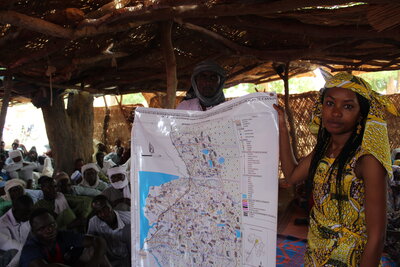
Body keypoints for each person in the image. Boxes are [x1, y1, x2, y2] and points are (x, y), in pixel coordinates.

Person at [274, 72, 398, 266]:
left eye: (348, 106)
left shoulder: (367, 161)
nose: (336, 112)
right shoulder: (323, 151)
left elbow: (376, 235)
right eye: (330, 103)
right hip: (316, 252)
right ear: (321, 108)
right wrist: (282, 127)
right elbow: (291, 176)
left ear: (361, 115)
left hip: (350, 259)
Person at [19, 208, 110, 267]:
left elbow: (98, 240)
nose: (50, 229)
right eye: (42, 228)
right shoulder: (30, 249)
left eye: (52, 224)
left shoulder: (61, 235)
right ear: (33, 232)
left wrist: (94, 261)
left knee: (93, 250)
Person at [88, 195, 130, 267]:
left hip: (127, 259)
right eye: (98, 212)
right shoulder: (93, 222)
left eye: (105, 209)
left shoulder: (129, 219)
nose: (103, 214)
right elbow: (90, 245)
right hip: (107, 260)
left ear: (111, 206)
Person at [0, 195, 33, 267]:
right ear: (14, 209)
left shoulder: (24, 218)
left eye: (30, 212)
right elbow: (17, 250)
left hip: (24, 254)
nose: (28, 216)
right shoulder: (2, 225)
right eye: (25, 214)